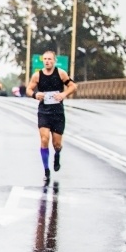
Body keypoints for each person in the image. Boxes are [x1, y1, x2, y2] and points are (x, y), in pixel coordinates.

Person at [25, 50, 77, 183]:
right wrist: (35, 95)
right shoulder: (37, 75)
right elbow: (29, 89)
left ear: (54, 61)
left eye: (50, 59)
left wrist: (63, 95)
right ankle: (46, 170)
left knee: (57, 144)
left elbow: (73, 86)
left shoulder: (60, 73)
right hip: (44, 111)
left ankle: (57, 154)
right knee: (44, 139)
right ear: (43, 61)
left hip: (58, 112)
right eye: (45, 59)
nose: (47, 61)